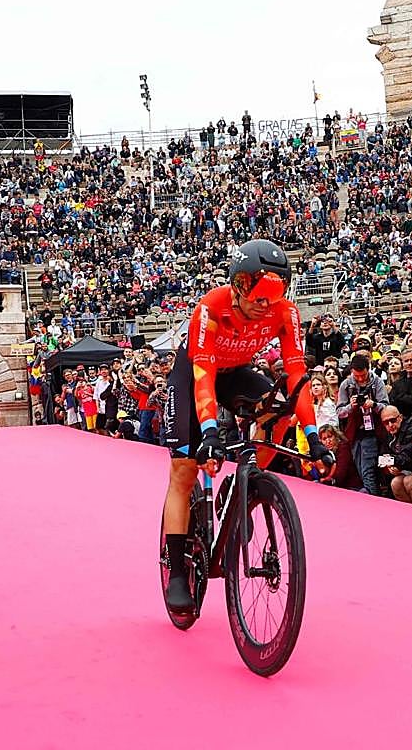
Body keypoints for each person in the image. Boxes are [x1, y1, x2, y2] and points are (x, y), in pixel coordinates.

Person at [159, 240, 331, 612]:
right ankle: (175, 571)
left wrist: (314, 437)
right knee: (184, 470)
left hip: (236, 372)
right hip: (194, 375)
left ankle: (244, 485)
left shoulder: (286, 313)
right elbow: (203, 373)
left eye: (274, 296)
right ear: (237, 285)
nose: (264, 306)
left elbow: (296, 372)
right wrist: (207, 432)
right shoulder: (211, 308)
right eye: (257, 295)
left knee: (279, 410)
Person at [337, 353, 390, 496]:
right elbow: (339, 412)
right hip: (354, 434)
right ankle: (374, 498)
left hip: (373, 433)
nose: (360, 379)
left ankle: (374, 501)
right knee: (361, 471)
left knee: (368, 472)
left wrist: (373, 405)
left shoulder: (377, 382)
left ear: (369, 368)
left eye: (363, 376)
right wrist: (350, 406)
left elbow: (386, 407)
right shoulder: (346, 385)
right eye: (356, 376)